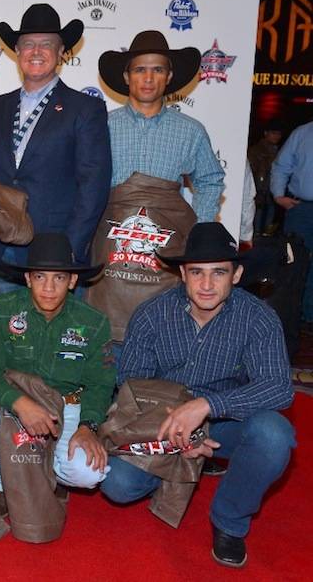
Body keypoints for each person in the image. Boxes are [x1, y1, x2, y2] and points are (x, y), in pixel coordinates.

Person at [101, 222, 295, 568]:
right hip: (162, 419)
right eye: (197, 273)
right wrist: (182, 430)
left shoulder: (259, 319)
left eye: (218, 273)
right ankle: (177, 464)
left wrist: (207, 406)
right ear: (182, 274)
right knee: (118, 485)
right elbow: (132, 385)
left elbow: (279, 387)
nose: (206, 284)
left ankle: (230, 523)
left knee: (274, 434)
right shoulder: (151, 314)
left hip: (226, 421)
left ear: (236, 275)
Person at [0, 233, 114, 512]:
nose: (48, 288)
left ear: (73, 281)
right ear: (27, 278)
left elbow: (101, 384)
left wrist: (88, 427)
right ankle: (0, 484)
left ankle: (51, 474)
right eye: (40, 277)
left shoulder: (94, 322)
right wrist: (20, 403)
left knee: (89, 474)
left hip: (67, 406)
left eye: (59, 278)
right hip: (12, 402)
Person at [0, 4, 110, 296]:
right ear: (16, 50)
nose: (36, 51)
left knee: (60, 340)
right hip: (2, 250)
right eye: (28, 44)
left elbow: (94, 185)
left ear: (62, 50)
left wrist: (71, 251)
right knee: (3, 337)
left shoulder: (85, 109)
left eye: (46, 44)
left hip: (58, 254)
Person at [99, 30, 224, 220]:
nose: (148, 78)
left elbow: (210, 180)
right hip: (109, 236)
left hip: (171, 241)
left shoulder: (190, 131)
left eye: (158, 70)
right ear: (127, 77)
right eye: (140, 69)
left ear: (169, 76)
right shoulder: (102, 126)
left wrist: (197, 230)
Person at [270, 120, 313, 328]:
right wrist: (278, 195)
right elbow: (281, 166)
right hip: (301, 209)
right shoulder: (301, 133)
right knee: (292, 264)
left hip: (301, 210)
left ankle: (309, 315)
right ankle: (288, 317)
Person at [248, 120, 283, 235]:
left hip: (273, 189)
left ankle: (264, 235)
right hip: (260, 188)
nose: (276, 136)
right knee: (257, 215)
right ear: (266, 133)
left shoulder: (280, 151)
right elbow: (252, 171)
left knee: (270, 217)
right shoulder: (256, 150)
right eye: (273, 133)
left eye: (278, 134)